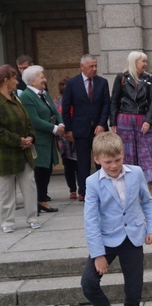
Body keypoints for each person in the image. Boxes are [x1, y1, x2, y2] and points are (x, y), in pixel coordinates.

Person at [81, 131, 152, 306]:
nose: (114, 165)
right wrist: (98, 255)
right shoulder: (92, 183)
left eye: (118, 159)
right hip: (106, 239)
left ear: (123, 155)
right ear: (97, 159)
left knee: (133, 290)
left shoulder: (136, 173)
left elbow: (148, 202)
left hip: (133, 238)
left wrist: (151, 228)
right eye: (108, 162)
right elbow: (91, 220)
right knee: (88, 283)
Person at [110, 51, 152, 194]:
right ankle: (129, 190)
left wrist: (149, 120)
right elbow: (114, 100)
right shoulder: (121, 77)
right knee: (128, 154)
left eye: (145, 61)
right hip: (125, 119)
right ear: (134, 62)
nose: (145, 64)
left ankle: (147, 190)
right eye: (142, 61)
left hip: (143, 119)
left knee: (147, 153)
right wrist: (113, 122)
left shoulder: (148, 78)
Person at [61, 54, 110, 201]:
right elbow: (65, 107)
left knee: (101, 160)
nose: (94, 69)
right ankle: (84, 191)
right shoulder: (72, 83)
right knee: (82, 162)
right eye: (91, 66)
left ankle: (104, 189)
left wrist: (102, 124)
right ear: (82, 66)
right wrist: (68, 129)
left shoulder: (102, 82)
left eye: (96, 66)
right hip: (80, 129)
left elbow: (106, 104)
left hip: (99, 130)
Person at [0, 64, 40, 233]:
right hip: (6, 153)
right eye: (14, 78)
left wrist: (30, 136)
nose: (17, 81)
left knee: (29, 185)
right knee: (6, 189)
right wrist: (18, 140)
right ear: (5, 80)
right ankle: (7, 222)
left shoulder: (17, 98)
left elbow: (28, 120)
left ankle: (32, 218)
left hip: (24, 152)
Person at [19, 65, 64, 214]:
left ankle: (42, 199)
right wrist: (54, 129)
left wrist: (61, 123)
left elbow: (55, 110)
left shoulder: (44, 93)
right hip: (39, 140)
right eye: (41, 77)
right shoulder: (26, 96)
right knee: (40, 170)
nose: (45, 79)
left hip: (48, 139)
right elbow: (34, 119)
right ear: (32, 81)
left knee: (47, 168)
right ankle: (40, 201)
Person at [54, 76, 78, 200]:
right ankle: (72, 190)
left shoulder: (77, 101)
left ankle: (81, 189)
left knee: (78, 164)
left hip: (77, 135)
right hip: (63, 139)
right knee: (68, 165)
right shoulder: (56, 102)